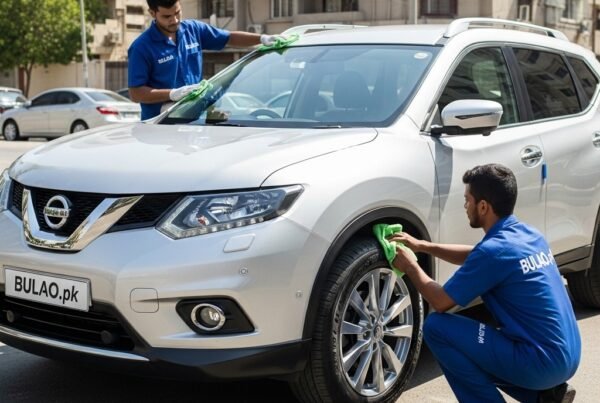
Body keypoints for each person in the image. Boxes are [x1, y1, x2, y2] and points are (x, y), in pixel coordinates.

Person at [389, 164, 580, 403]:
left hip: (540, 363)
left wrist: (410, 266)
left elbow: (440, 302)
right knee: (472, 348)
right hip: (567, 357)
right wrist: (423, 246)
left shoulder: (494, 252)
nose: (465, 206)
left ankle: (536, 392)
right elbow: (478, 255)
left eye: (467, 199)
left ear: (483, 206)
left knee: (438, 328)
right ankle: (546, 397)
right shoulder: (528, 236)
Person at [128, 0, 285, 120]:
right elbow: (136, 93)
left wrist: (262, 38)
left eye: (177, 13)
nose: (175, 20)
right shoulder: (141, 47)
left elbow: (228, 37)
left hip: (194, 121)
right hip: (160, 125)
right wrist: (173, 94)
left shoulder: (193, 30)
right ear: (152, 13)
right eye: (167, 16)